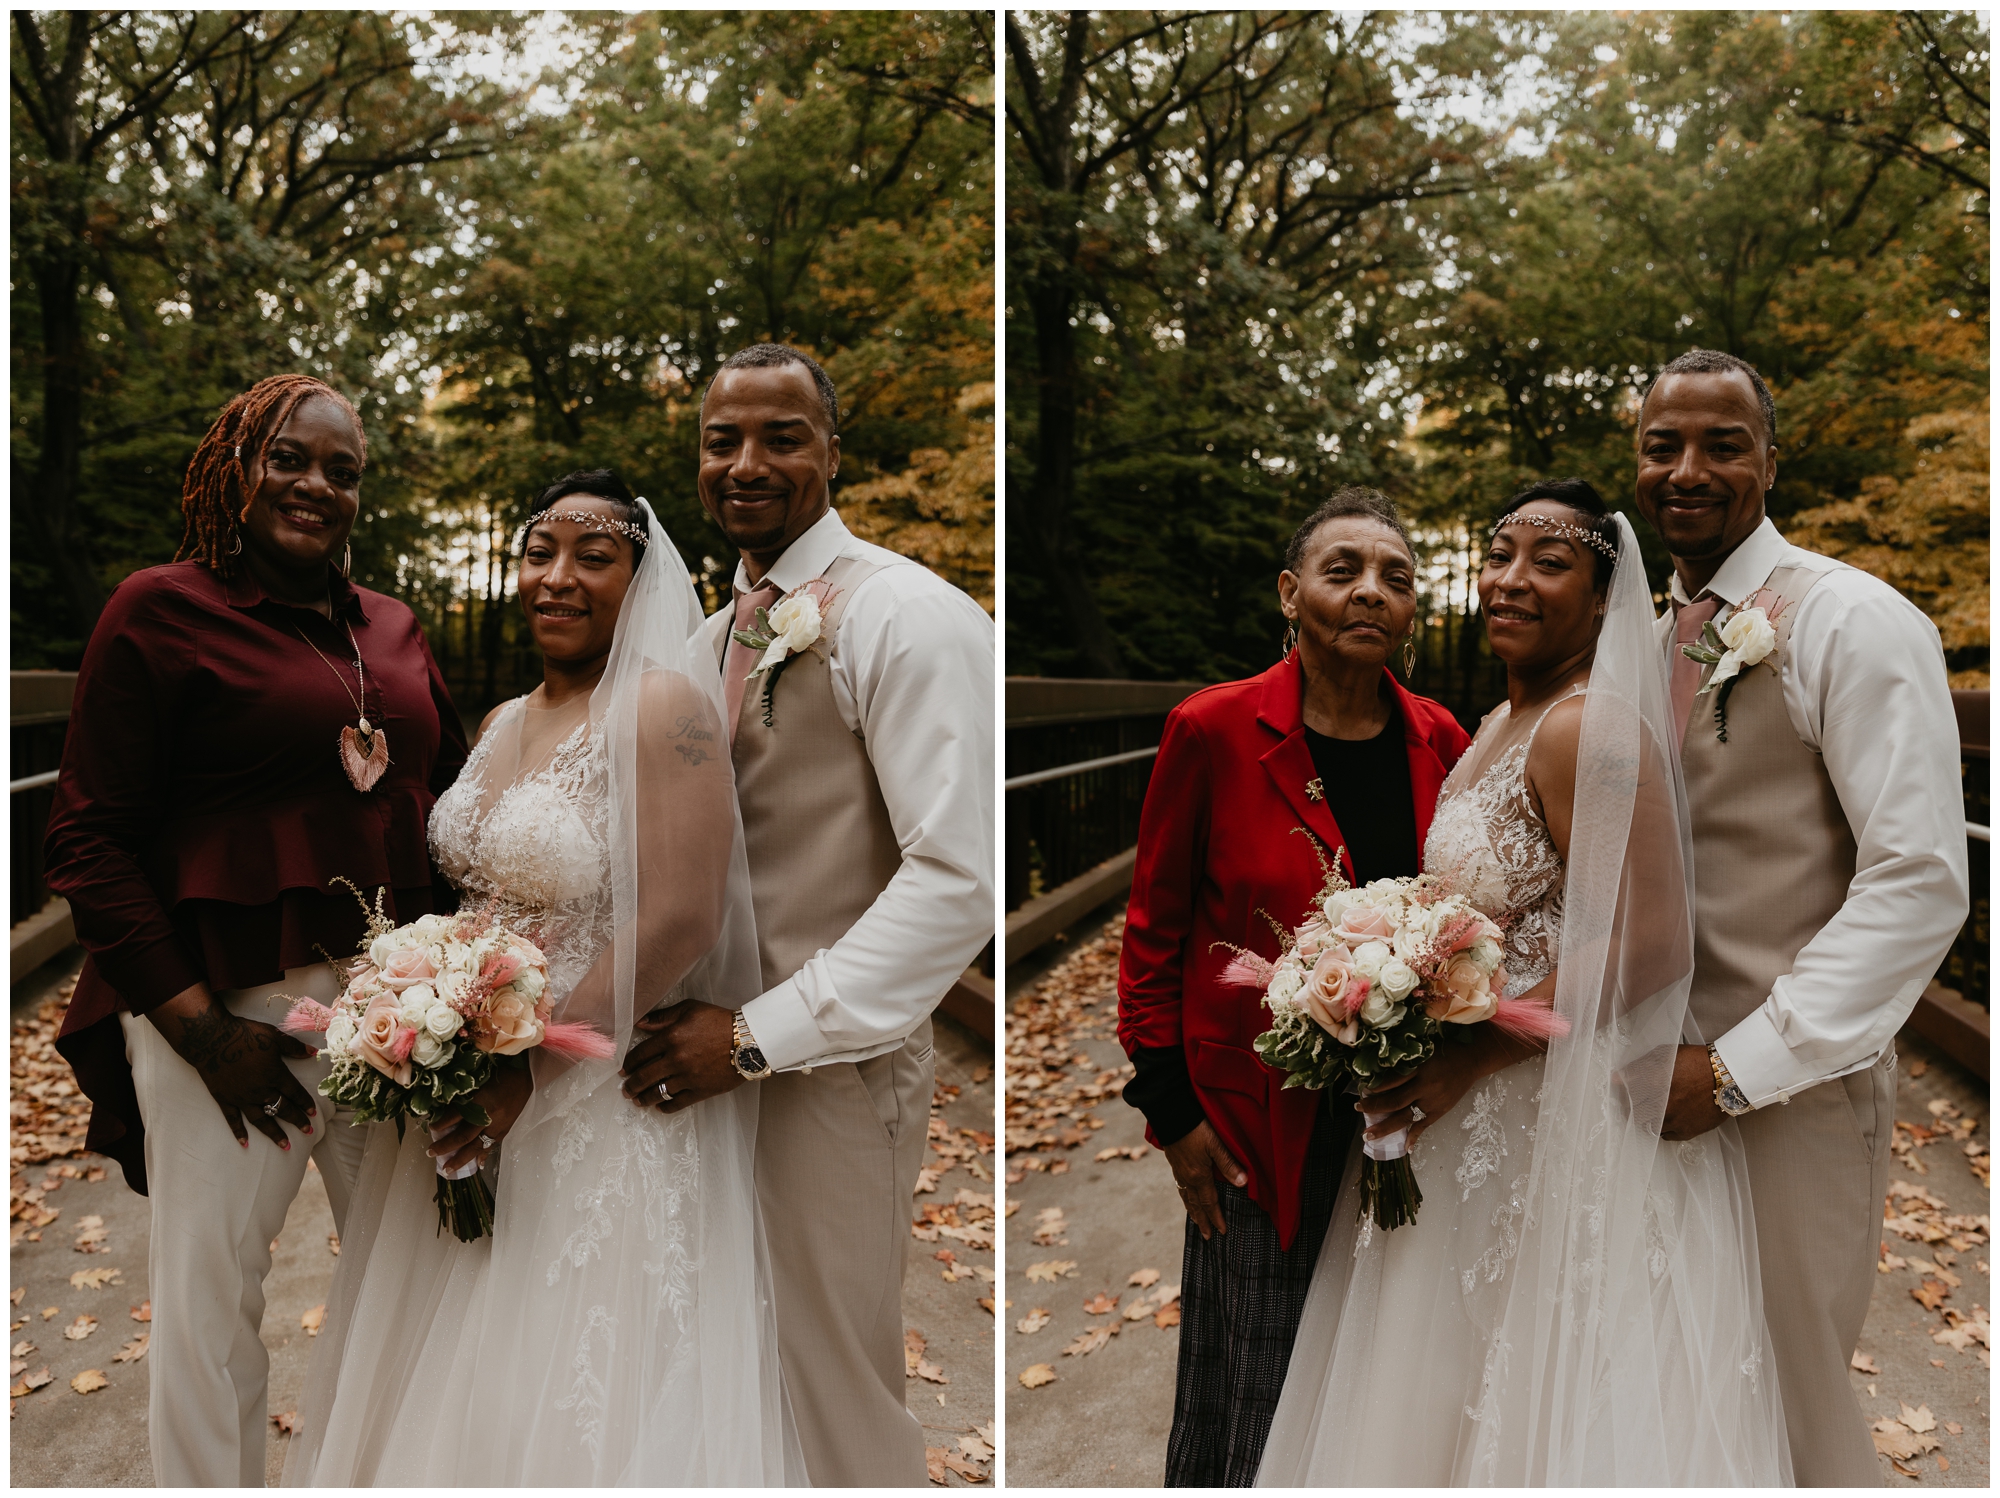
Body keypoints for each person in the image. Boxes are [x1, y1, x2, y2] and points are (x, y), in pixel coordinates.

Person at [1257, 481, 1792, 1484]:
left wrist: (1472, 1049)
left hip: (1551, 1110)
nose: (1508, 579)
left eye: (1548, 562)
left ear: (1601, 604)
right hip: (1472, 1108)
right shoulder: (1494, 725)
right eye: (1498, 553)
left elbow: (1652, 937)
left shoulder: (1586, 726)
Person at [282, 472, 802, 1484]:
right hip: (469, 1082)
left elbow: (683, 913)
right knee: (447, 1352)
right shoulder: (503, 718)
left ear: (639, 578)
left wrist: (533, 1065)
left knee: (569, 1375)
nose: (556, 578)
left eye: (592, 557)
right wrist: (420, 1008)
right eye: (537, 553)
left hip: (589, 1094)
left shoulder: (661, 707)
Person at [44, 373, 468, 1487]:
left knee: (415, 1280)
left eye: (341, 469)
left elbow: (454, 807)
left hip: (396, 1014)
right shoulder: (157, 606)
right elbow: (86, 840)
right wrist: (197, 1029)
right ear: (234, 463)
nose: (315, 484)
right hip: (226, 1006)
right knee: (209, 1299)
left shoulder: (395, 625)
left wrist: (472, 989)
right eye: (289, 457)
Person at [617, 343, 995, 1486]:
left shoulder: (907, 616)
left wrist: (753, 1036)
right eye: (720, 439)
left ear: (834, 452)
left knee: (834, 1382)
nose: (744, 463)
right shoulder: (702, 636)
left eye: (780, 436)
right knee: (725, 1355)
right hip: (694, 1066)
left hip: (828, 1070)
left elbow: (956, 879)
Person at [1637, 350, 1968, 1485]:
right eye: (1660, 445)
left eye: (1720, 444)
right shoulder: (1645, 634)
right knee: (1670, 1390)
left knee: (1793, 1404)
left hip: (1788, 1091)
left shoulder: (1854, 620)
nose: (1686, 469)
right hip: (1640, 1092)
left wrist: (1730, 1071)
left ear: (1769, 461)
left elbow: (1918, 877)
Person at [1117, 487, 1472, 1487]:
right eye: (1341, 570)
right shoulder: (1212, 728)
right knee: (1256, 1377)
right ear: (1289, 592)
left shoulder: (1440, 738)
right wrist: (1170, 1111)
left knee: (1379, 1363)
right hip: (1250, 1115)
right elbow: (1156, 936)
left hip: (1404, 1112)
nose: (1370, 591)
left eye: (1395, 577)